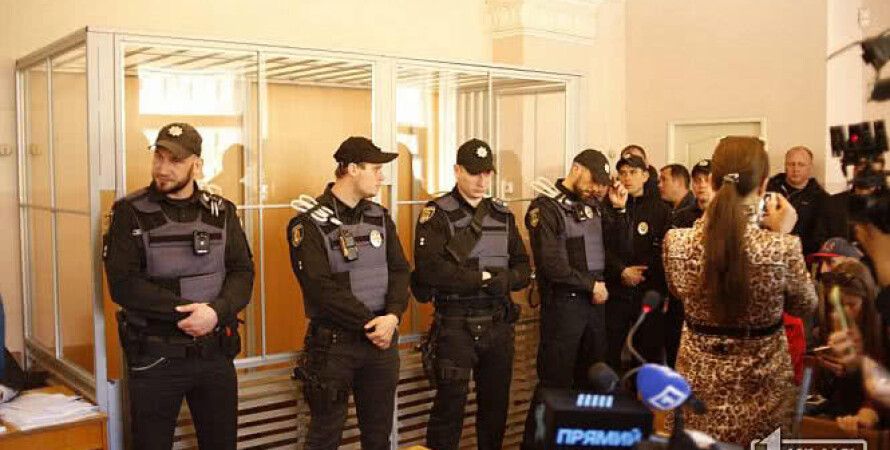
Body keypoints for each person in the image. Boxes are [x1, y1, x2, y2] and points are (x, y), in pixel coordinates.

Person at [104, 123, 254, 450]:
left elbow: (243, 272)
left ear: (197, 165)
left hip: (215, 353)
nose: (163, 168)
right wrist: (188, 312)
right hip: (156, 357)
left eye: (175, 160)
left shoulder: (222, 211)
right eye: (158, 157)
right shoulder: (130, 212)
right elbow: (123, 285)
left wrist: (215, 312)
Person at [663, 136, 817, 444]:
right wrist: (782, 236)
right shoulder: (778, 247)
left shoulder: (676, 242)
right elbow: (805, 306)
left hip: (697, 392)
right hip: (763, 397)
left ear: (713, 181)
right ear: (763, 185)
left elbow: (679, 291)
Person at [286, 136, 410, 450]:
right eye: (376, 169)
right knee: (325, 436)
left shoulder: (379, 216)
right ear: (352, 169)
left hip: (382, 342)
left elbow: (399, 270)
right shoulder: (307, 223)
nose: (382, 176)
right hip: (335, 346)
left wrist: (393, 316)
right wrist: (373, 324)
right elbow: (319, 288)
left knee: (378, 436)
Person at [412, 138, 531, 450]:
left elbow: (523, 266)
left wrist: (506, 280)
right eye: (474, 173)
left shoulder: (502, 214)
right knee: (449, 408)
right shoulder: (436, 214)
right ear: (457, 171)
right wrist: (481, 279)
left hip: (497, 323)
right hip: (456, 325)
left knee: (495, 408)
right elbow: (430, 271)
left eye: (487, 173)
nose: (482, 180)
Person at [520, 149, 627, 449]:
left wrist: (619, 210)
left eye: (602, 183)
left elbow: (617, 248)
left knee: (592, 384)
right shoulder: (546, 208)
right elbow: (552, 265)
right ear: (577, 169)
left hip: (594, 308)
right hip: (564, 309)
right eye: (594, 180)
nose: (597, 188)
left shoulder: (594, 206)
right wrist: (591, 285)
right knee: (553, 387)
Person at [605, 153, 671, 371]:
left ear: (645, 175)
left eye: (633, 172)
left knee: (647, 352)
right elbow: (603, 247)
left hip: (648, 291)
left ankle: (643, 391)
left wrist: (641, 274)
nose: (627, 178)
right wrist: (622, 271)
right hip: (617, 290)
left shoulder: (660, 209)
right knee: (610, 350)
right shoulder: (608, 207)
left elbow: (663, 251)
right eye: (622, 173)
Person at [813, 261, 885, 433]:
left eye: (851, 305)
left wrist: (867, 415)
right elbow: (824, 394)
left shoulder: (883, 332)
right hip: (839, 419)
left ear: (867, 303)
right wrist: (829, 371)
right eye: (836, 305)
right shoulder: (826, 332)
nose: (842, 313)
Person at [766, 146, 829, 255]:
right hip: (766, 249)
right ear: (785, 166)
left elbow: (818, 238)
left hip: (798, 254)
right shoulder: (769, 187)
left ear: (810, 167)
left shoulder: (820, 198)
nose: (796, 169)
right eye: (791, 164)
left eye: (801, 164)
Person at [814, 155, 885, 246]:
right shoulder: (832, 204)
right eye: (862, 167)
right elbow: (820, 241)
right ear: (854, 170)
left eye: (873, 171)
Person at [672, 159, 714, 228]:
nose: (702, 185)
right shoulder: (681, 217)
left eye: (707, 180)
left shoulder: (725, 214)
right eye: (697, 180)